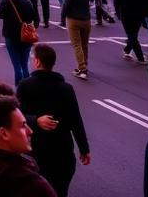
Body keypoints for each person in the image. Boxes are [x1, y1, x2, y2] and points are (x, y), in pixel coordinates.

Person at [16, 44, 91, 197]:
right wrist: (84, 149)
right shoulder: (66, 88)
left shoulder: (25, 86)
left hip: (35, 152)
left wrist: (35, 121)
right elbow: (75, 120)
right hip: (62, 153)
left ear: (37, 62)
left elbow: (17, 116)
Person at [0, 0, 38, 85]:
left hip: (11, 35)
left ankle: (19, 88)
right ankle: (28, 87)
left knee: (17, 64)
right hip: (26, 36)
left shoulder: (5, 2)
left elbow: (0, 15)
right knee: (25, 64)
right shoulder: (27, 2)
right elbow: (33, 17)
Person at [61, 0, 94, 81]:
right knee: (84, 44)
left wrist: (62, 17)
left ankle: (82, 68)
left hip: (73, 18)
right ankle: (85, 65)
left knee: (76, 44)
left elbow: (66, 3)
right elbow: (92, 0)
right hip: (86, 18)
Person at [113, 0, 148, 64]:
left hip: (126, 12)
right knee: (133, 33)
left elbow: (116, 0)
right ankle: (127, 49)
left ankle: (140, 57)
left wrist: (117, 12)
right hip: (139, 12)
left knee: (131, 35)